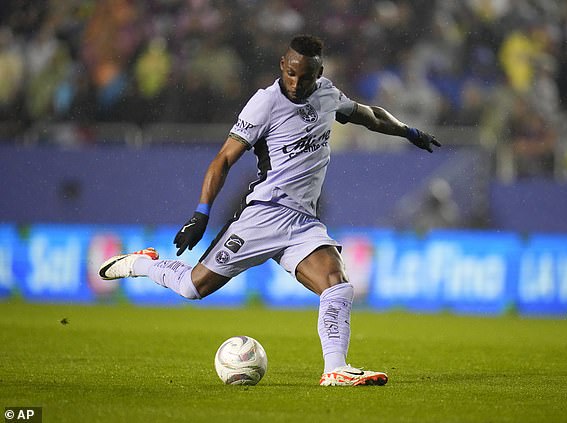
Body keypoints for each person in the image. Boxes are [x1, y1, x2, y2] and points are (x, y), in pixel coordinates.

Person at [99, 34, 440, 386]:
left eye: (305, 76)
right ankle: (141, 262)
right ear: (282, 65)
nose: (295, 82)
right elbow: (224, 159)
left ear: (318, 72)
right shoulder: (264, 104)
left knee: (337, 286)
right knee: (191, 287)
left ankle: (335, 369)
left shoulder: (327, 95)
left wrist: (409, 132)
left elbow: (368, 116)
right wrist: (201, 213)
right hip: (263, 216)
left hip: (303, 221)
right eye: (290, 73)